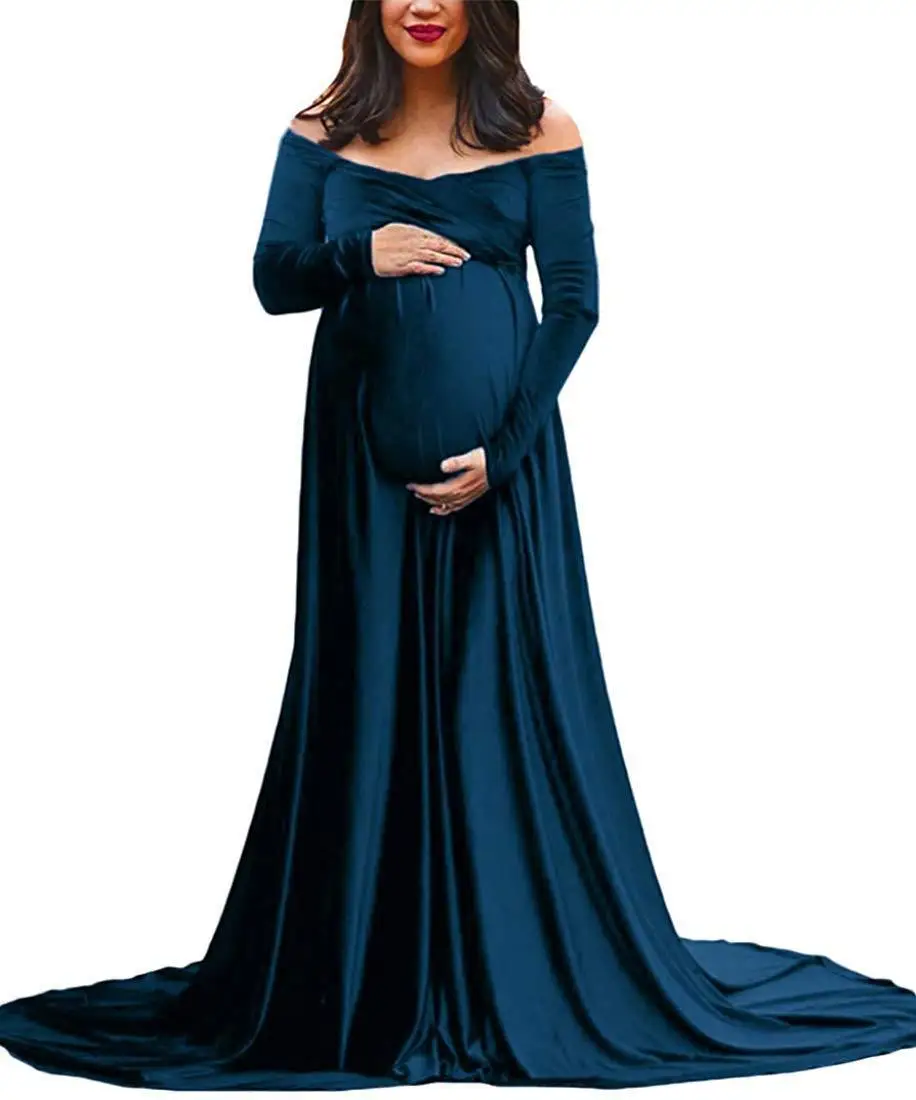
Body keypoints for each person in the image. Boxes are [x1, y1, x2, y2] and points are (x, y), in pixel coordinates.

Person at [2, 0, 915, 1090]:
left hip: (505, 471)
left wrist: (509, 447)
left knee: (498, 695)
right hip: (355, 476)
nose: (424, 4)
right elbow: (272, 280)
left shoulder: (540, 127)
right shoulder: (321, 130)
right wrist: (360, 251)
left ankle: (512, 965)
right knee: (367, 685)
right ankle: (366, 974)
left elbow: (573, 302)